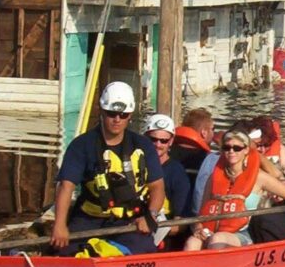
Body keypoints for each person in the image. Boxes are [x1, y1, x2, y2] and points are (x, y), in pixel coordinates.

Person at [51, 81, 165, 256]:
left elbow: (157, 187)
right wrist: (59, 225)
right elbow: (66, 187)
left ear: (130, 115)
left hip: (129, 221)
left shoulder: (142, 145)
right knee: (66, 251)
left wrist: (150, 216)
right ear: (102, 112)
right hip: (88, 219)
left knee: (144, 250)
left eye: (123, 114)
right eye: (111, 113)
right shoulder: (81, 146)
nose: (117, 119)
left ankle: (107, 256)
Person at [184, 129, 285, 251]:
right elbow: (201, 214)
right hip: (213, 230)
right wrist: (198, 229)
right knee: (192, 242)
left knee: (218, 239)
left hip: (244, 233)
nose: (231, 151)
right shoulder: (214, 177)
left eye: (237, 148)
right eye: (227, 148)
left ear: (246, 150)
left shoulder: (259, 177)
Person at [145, 113, 191, 250]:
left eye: (163, 141)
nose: (157, 145)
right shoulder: (134, 165)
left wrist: (153, 227)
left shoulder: (177, 173)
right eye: (153, 139)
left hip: (161, 237)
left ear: (171, 141)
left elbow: (180, 224)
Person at [170, 107, 215, 193]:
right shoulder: (207, 160)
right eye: (213, 129)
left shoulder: (166, 152)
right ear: (204, 133)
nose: (214, 133)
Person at [246, 115, 285, 187]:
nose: (262, 150)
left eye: (266, 145)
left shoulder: (280, 149)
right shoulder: (240, 151)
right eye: (258, 145)